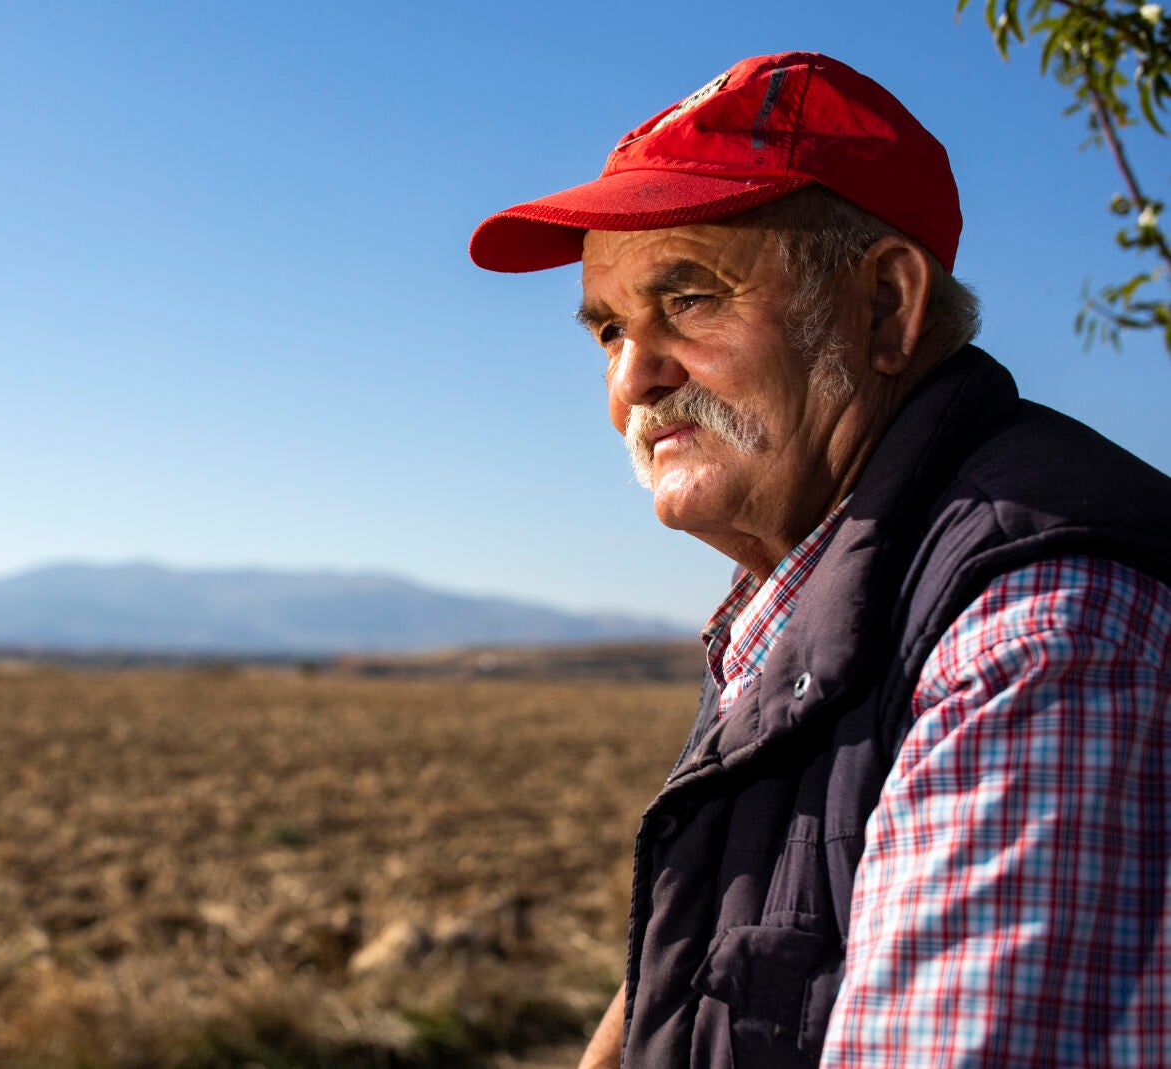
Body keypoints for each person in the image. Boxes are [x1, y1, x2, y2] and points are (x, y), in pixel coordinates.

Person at [470, 52, 1171, 1069]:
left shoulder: (1039, 638)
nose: (632, 379)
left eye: (689, 299)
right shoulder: (820, 591)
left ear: (885, 304)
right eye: (611, 329)